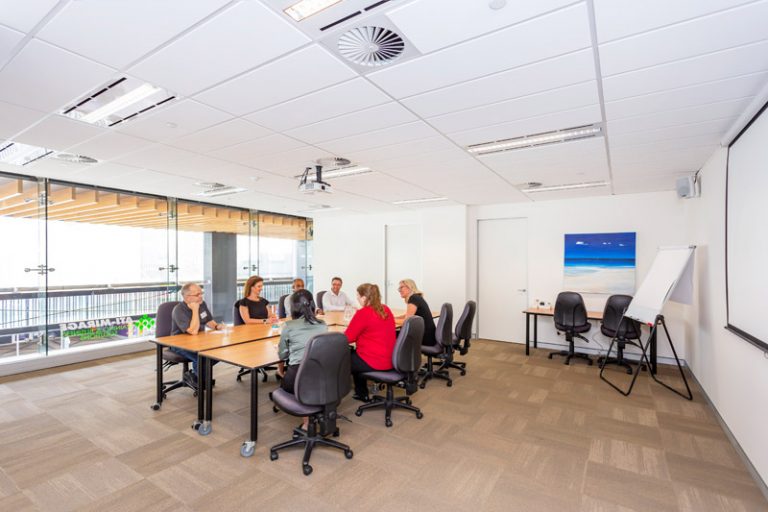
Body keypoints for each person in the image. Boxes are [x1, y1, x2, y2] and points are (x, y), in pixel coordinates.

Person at [277, 289, 328, 431]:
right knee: (309, 377)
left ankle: (306, 424)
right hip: (322, 376)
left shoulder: (288, 326)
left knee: (291, 376)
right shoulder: (323, 324)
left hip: (298, 378)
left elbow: (282, 355)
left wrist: (281, 368)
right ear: (312, 305)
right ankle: (318, 413)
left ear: (293, 307)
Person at [344, 283, 396, 402]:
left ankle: (336, 396)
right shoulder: (385, 309)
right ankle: (361, 393)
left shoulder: (363, 313)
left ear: (364, 297)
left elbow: (348, 338)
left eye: (358, 296)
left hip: (374, 361)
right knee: (355, 355)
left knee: (342, 359)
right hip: (391, 359)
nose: (357, 298)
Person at [171, 282, 223, 386]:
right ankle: (200, 381)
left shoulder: (202, 304)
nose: (201, 296)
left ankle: (194, 376)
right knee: (201, 357)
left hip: (198, 342)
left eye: (201, 293)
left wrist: (217, 326)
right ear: (187, 297)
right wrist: (195, 310)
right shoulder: (179, 310)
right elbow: (193, 331)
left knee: (220, 352)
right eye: (197, 295)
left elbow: (209, 320)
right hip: (179, 344)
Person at [397, 278, 437, 347]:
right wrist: (395, 317)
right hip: (429, 336)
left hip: (425, 338)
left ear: (409, 287)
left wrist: (391, 320)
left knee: (391, 334)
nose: (399, 290)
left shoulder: (413, 298)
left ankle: (396, 357)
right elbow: (408, 315)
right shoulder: (416, 297)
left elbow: (406, 321)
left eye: (401, 287)